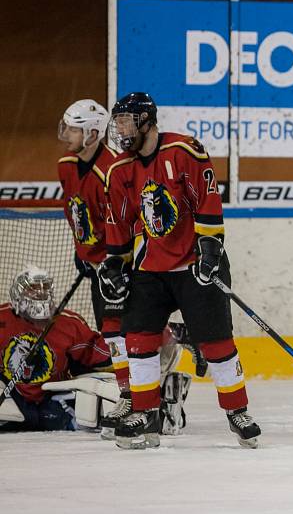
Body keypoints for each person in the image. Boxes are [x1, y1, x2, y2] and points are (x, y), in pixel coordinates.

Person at [101, 92, 260, 449]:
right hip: (150, 267)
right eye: (118, 122)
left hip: (194, 263)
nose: (121, 130)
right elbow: (120, 223)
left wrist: (209, 247)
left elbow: (206, 198)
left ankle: (237, 410)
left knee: (216, 340)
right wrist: (115, 262)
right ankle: (145, 411)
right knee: (138, 337)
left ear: (145, 121)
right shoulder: (120, 170)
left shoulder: (184, 151)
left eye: (126, 121)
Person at [56, 99, 132, 438]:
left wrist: (114, 262)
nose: (66, 134)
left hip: (117, 265)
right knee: (111, 329)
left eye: (73, 128)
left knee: (118, 330)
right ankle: (172, 338)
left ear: (91, 133)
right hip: (95, 264)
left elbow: (126, 221)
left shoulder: (114, 170)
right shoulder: (65, 165)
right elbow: (76, 212)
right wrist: (82, 252)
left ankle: (132, 396)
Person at [0, 267, 111, 431]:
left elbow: (99, 353)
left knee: (84, 417)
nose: (40, 294)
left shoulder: (68, 324)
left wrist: (125, 339)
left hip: (51, 398)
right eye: (33, 290)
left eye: (45, 289)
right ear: (18, 294)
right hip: (11, 397)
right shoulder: (3, 319)